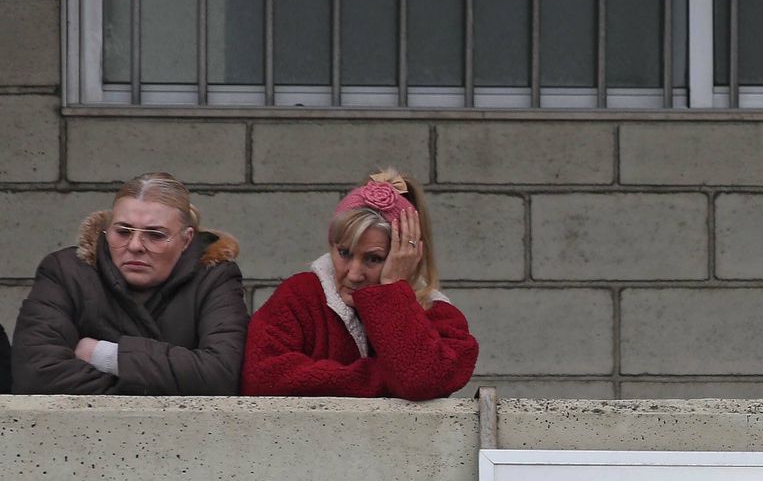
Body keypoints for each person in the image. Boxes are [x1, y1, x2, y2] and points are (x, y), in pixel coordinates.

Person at [242, 169, 478, 399]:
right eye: (344, 253)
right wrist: (385, 379)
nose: (354, 274)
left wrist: (392, 288)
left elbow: (421, 381)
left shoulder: (438, 314)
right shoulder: (300, 296)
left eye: (373, 259)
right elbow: (262, 377)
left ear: (407, 255)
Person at [10, 173, 247, 395]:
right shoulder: (66, 271)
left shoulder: (214, 278)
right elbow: (35, 374)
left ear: (186, 240)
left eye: (155, 235)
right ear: (106, 230)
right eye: (123, 232)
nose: (135, 245)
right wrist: (162, 389)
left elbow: (221, 376)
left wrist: (104, 355)